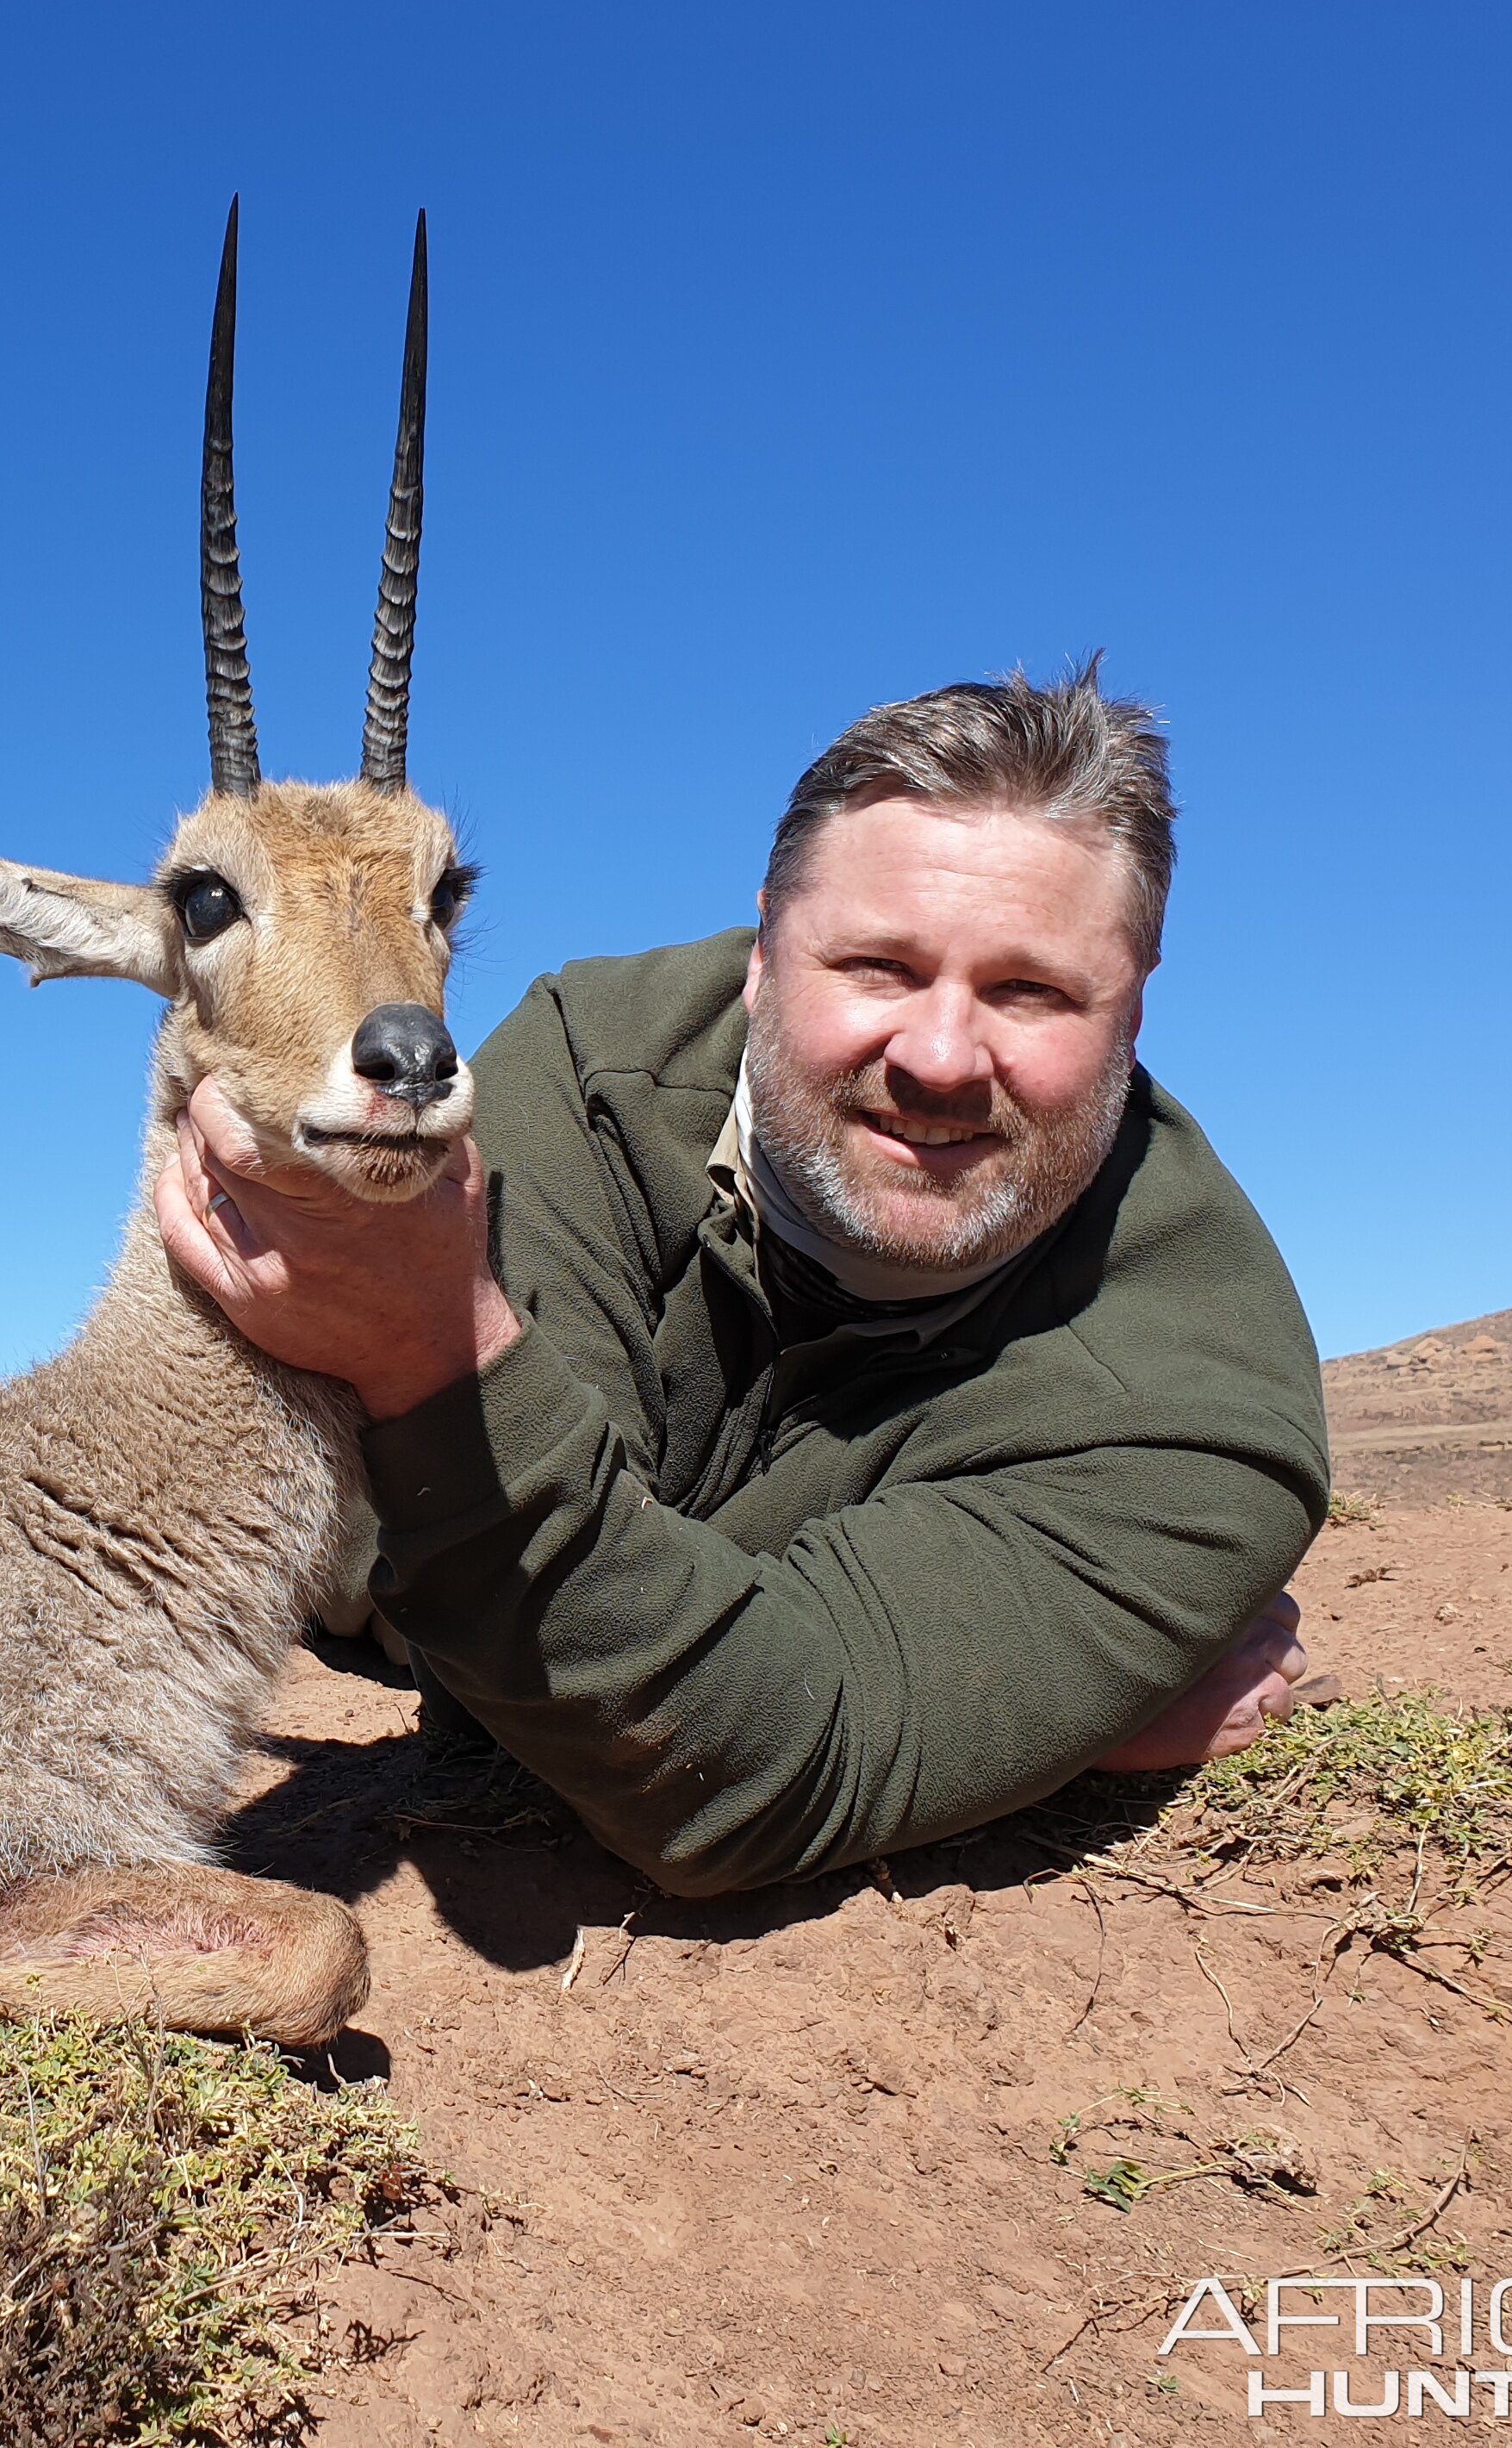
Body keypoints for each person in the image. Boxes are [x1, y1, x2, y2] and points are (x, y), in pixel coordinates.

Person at [157, 664, 1328, 1896]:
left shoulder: (1202, 1411)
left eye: (1031, 990)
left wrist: (896, 1713)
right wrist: (1034, 1725)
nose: (937, 1057)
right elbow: (494, 1685)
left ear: (1134, 1010)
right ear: (763, 955)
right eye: (875, 966)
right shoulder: (595, 1062)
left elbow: (731, 1772)